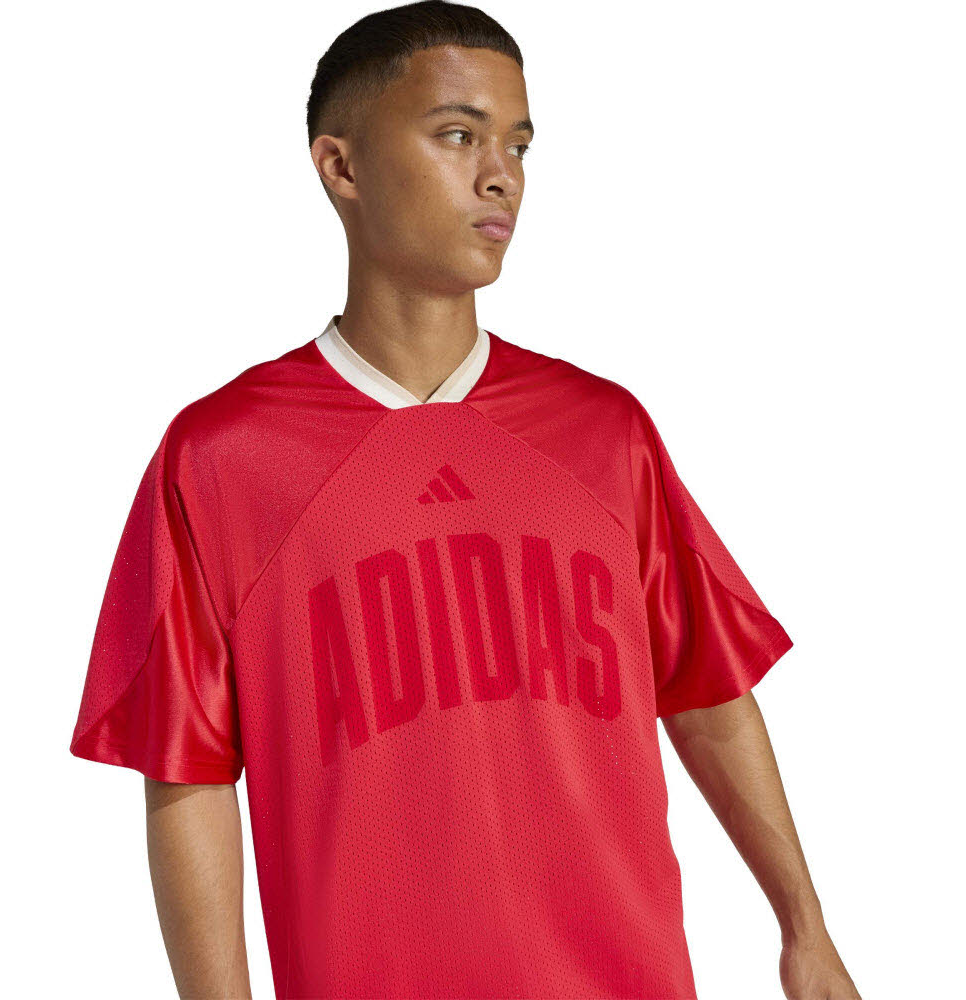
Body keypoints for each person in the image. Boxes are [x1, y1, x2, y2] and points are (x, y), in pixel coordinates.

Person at [69, 2, 861, 997]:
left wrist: (804, 926)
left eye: (517, 145)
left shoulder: (603, 432)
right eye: (457, 135)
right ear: (341, 167)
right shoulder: (224, 457)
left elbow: (705, 686)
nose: (502, 176)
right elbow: (186, 771)